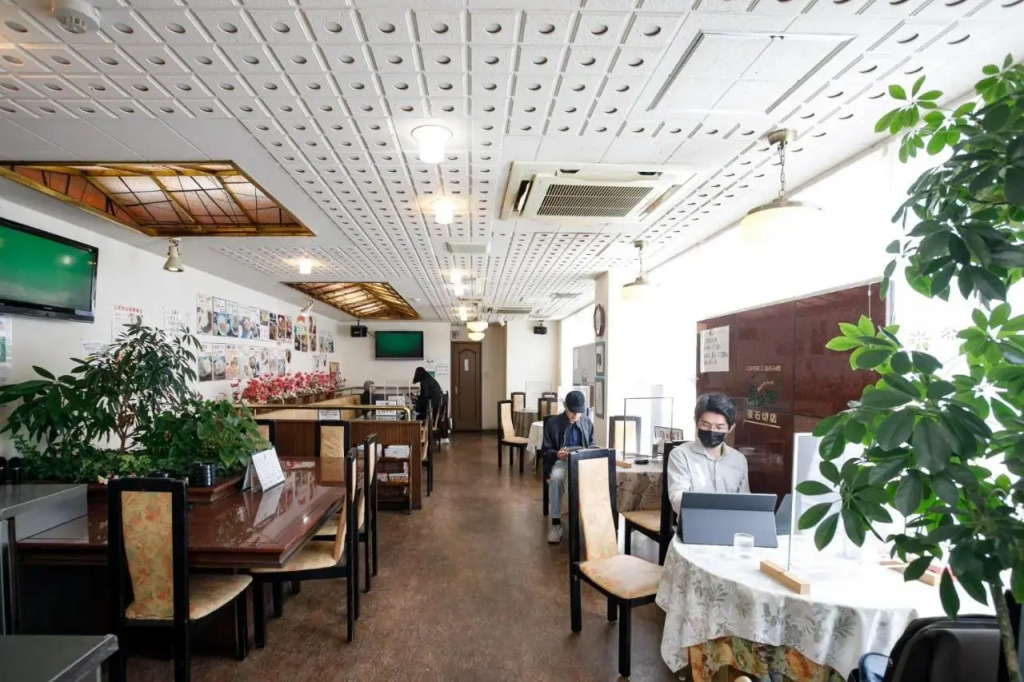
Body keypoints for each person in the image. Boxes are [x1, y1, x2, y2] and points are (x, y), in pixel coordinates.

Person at [666, 393, 749, 515]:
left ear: (730, 428)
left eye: (719, 427)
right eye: (705, 425)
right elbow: (677, 499)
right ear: (696, 422)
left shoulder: (739, 460)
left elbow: (745, 501)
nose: (712, 431)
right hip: (694, 521)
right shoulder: (680, 455)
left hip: (730, 522)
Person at [541, 390, 595, 544]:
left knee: (597, 480)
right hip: (561, 460)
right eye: (572, 412)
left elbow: (591, 443)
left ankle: (591, 524)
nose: (575, 416)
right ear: (565, 406)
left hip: (582, 461)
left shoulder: (586, 422)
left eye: (579, 412)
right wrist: (557, 454)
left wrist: (592, 450)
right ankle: (556, 524)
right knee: (556, 479)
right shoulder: (552, 423)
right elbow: (545, 451)